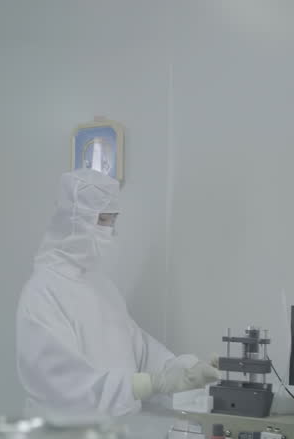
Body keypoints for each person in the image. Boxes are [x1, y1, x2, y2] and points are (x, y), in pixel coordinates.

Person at [16, 168, 216, 416]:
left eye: (113, 221)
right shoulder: (42, 293)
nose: (109, 230)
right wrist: (150, 383)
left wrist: (185, 369)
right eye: (102, 220)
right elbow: (65, 387)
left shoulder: (100, 286)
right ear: (73, 219)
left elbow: (137, 349)